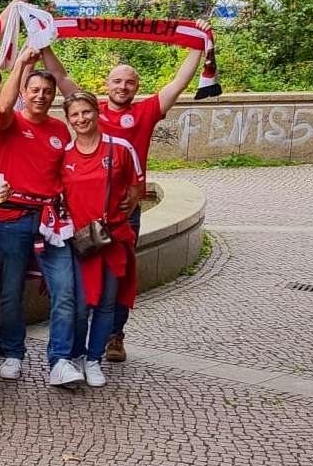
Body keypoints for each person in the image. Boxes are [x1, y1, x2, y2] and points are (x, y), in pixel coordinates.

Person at [44, 21, 208, 364]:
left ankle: (114, 335)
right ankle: (81, 344)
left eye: (130, 82)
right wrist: (43, 40)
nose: (123, 86)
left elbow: (179, 83)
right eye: (117, 81)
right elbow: (59, 77)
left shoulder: (145, 112)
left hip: (124, 213)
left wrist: (198, 43)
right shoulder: (91, 109)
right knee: (84, 277)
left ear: (137, 87)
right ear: (106, 85)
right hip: (85, 213)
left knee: (118, 277)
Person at [0, 46, 81, 388]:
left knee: (65, 289)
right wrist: (22, 64)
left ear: (53, 96)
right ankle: (14, 352)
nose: (40, 96)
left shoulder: (60, 130)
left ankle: (60, 360)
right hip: (11, 217)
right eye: (34, 90)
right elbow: (2, 107)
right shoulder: (11, 122)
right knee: (11, 291)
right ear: (24, 93)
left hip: (51, 220)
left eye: (46, 91)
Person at [60, 91, 142, 388]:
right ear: (68, 120)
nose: (81, 119)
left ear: (97, 112)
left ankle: (94, 359)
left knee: (107, 302)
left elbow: (136, 186)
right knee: (81, 306)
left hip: (112, 238)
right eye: (75, 114)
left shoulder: (120, 148)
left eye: (86, 112)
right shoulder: (64, 154)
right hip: (81, 242)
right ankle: (78, 356)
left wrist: (124, 210)